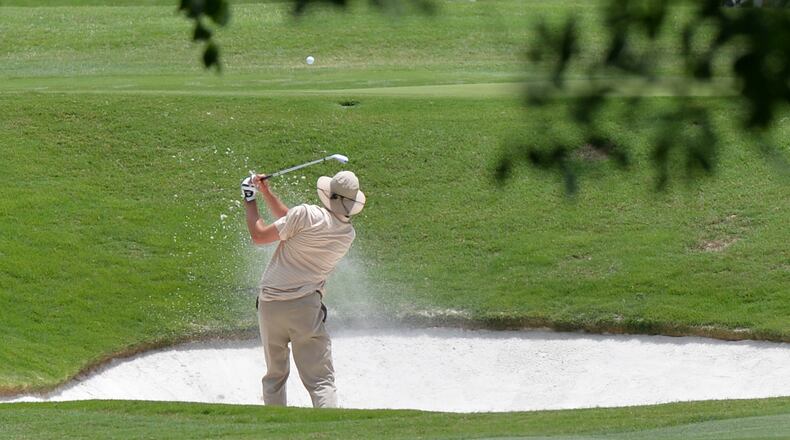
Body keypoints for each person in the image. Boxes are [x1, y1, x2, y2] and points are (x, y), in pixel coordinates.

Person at [240, 170, 365, 408]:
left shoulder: (306, 214)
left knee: (274, 377)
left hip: (271, 307)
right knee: (320, 381)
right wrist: (267, 192)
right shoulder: (347, 235)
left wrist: (250, 197)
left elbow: (259, 236)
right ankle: (329, 432)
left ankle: (276, 430)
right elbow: (292, 223)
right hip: (306, 309)